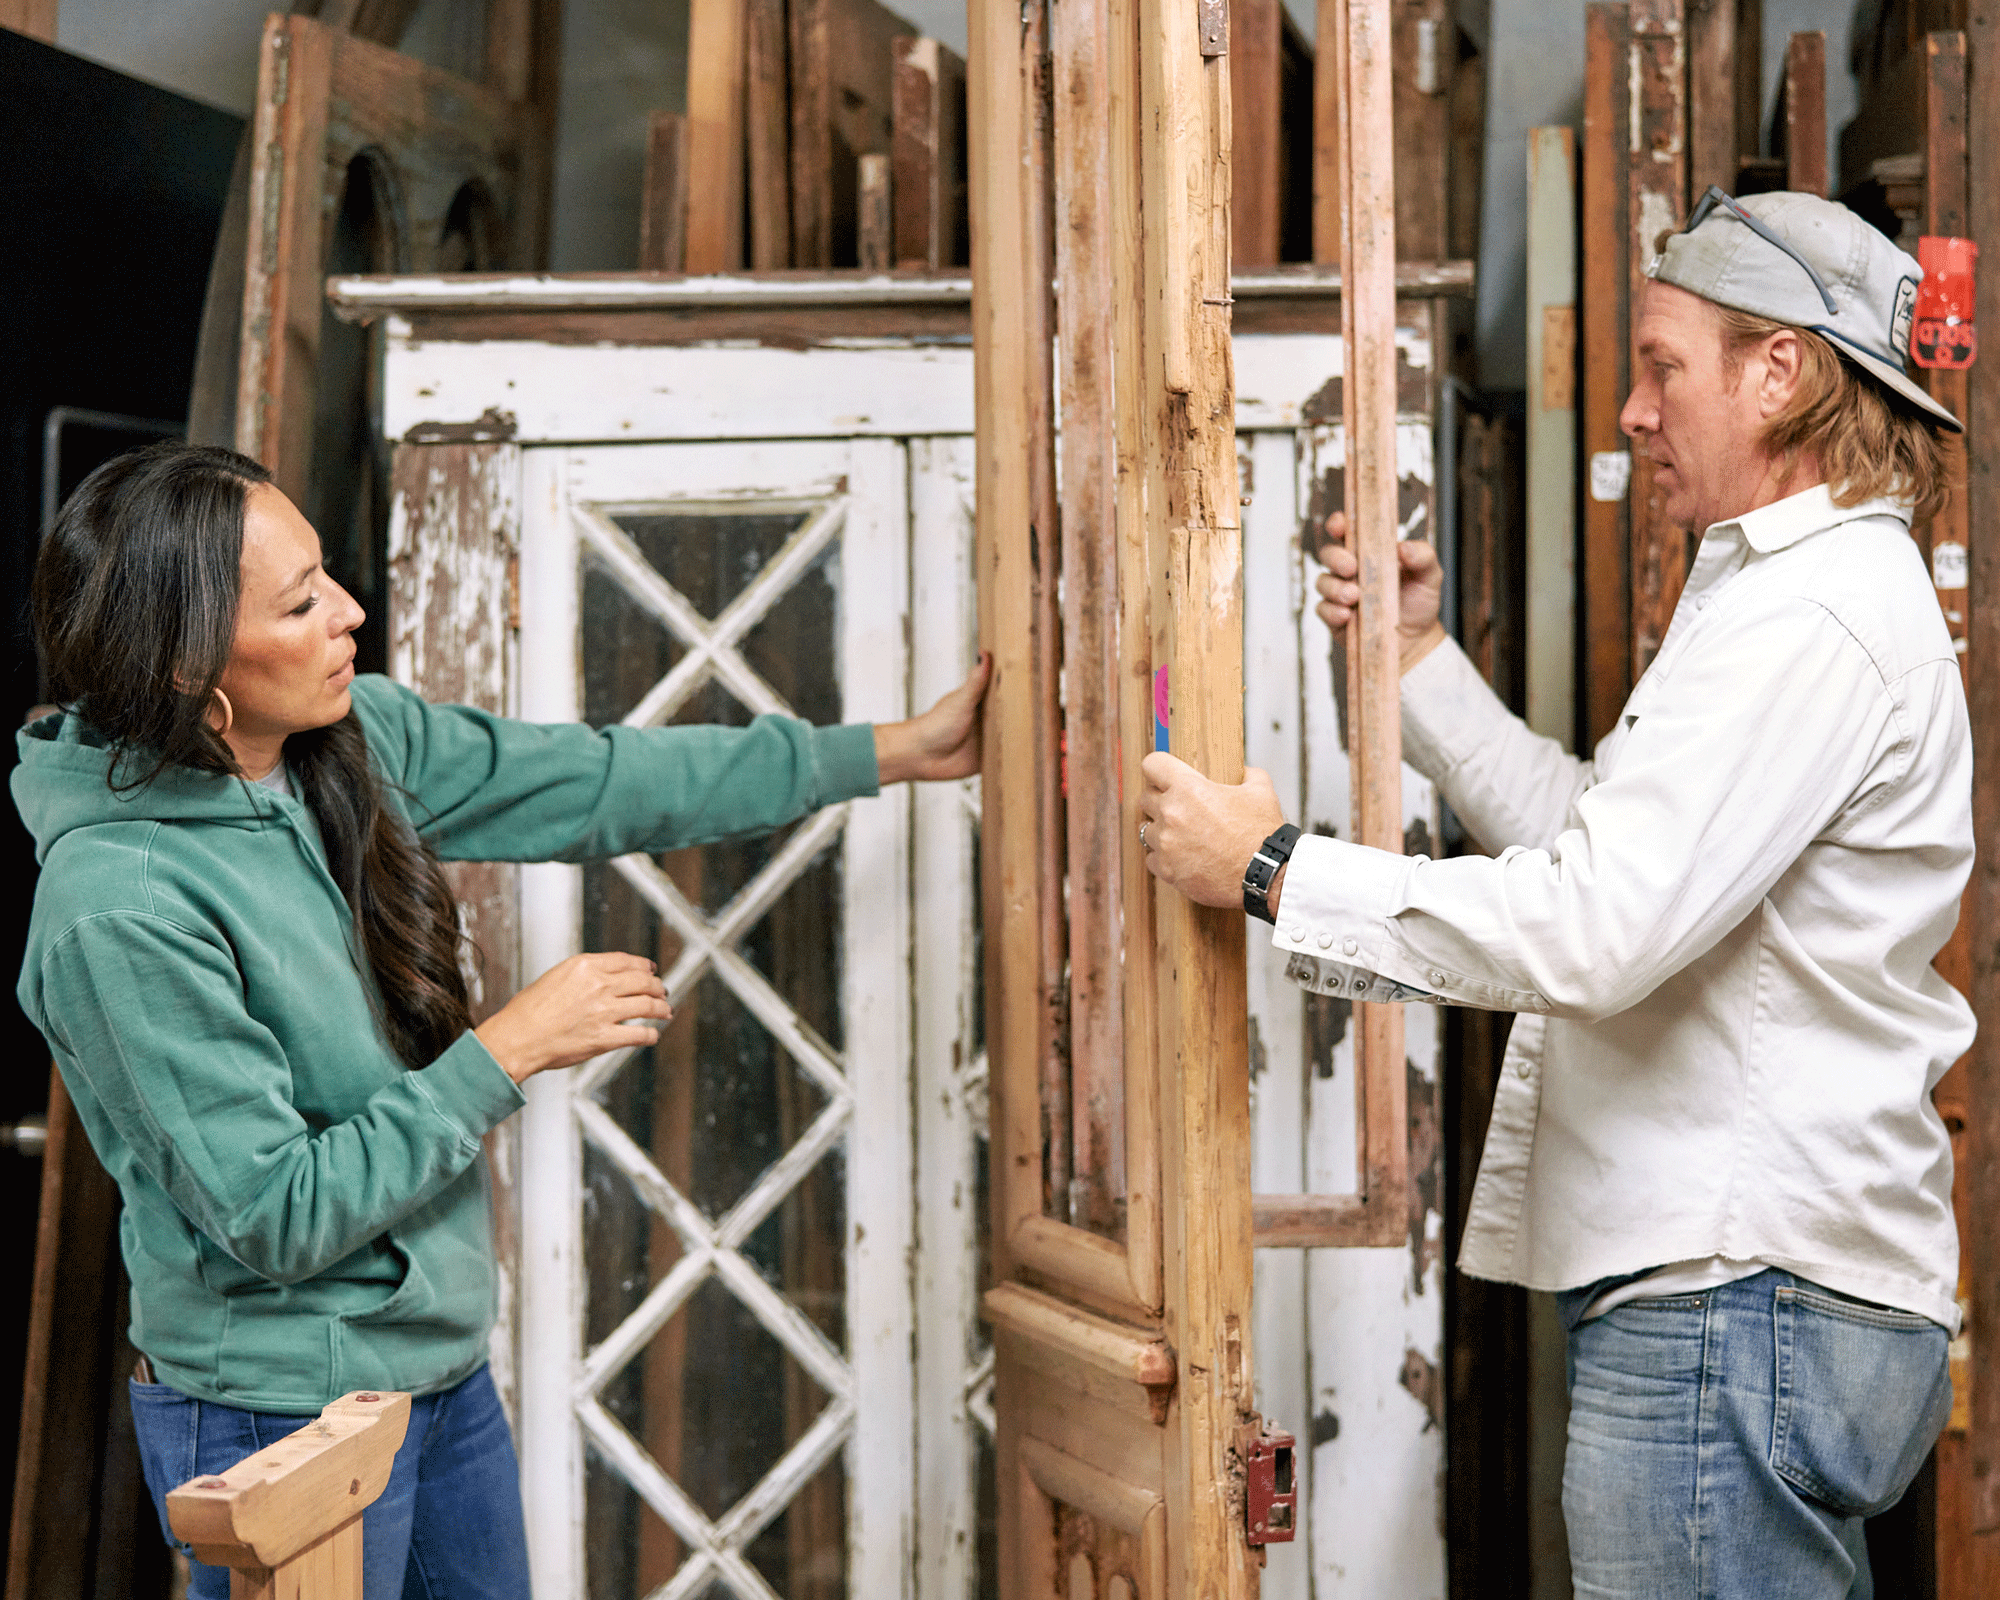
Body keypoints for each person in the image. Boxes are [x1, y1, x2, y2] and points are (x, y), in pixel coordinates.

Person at [1139, 190, 1968, 1595]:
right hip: (1745, 1290)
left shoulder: (1812, 615)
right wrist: (1416, 661)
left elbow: (1594, 928)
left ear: (1780, 373)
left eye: (1664, 365)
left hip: (1736, 1295)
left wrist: (1273, 872)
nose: (1634, 412)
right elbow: (1599, 842)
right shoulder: (1785, 598)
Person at [15, 441, 990, 1600]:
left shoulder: (340, 742)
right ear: (187, 670)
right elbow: (270, 1212)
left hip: (433, 1372)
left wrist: (890, 752)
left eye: (327, 576)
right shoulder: (118, 907)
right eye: (300, 602)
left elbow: (592, 779)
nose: (350, 613)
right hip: (276, 1412)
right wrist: (507, 1050)